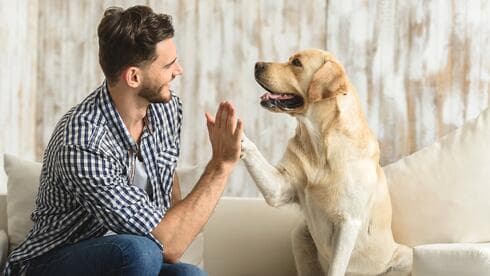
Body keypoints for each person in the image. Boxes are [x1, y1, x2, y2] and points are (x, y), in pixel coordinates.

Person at [5, 5, 243, 276]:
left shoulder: (166, 109)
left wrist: (175, 229)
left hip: (136, 261)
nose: (179, 70)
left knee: (189, 274)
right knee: (139, 252)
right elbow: (170, 244)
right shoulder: (83, 140)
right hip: (52, 262)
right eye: (168, 65)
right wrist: (221, 165)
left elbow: (170, 203)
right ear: (133, 77)